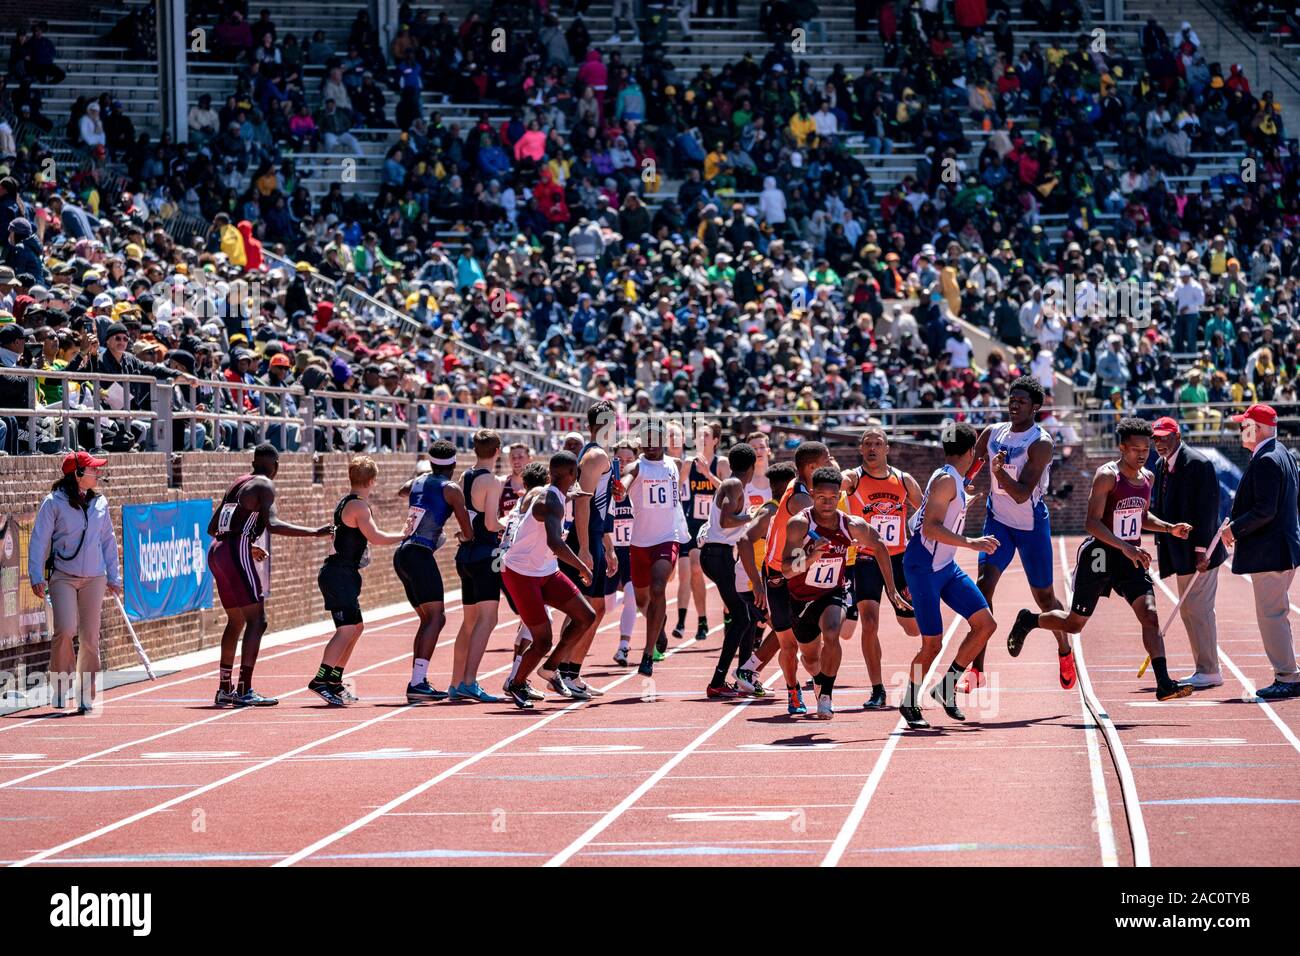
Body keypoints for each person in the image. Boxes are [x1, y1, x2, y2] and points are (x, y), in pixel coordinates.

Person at [1004, 418, 1195, 704]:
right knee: (1074, 624)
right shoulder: (1107, 476)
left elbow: (1141, 517)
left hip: (1130, 558)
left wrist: (1169, 528)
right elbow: (1091, 523)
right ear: (1121, 448)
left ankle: (1164, 683)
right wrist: (1124, 548)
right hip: (1099, 555)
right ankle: (1029, 620)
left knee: (1150, 615)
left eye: (1146, 449)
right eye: (1135, 449)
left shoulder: (1148, 478)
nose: (1142, 454)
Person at [964, 377, 1075, 692]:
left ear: (1035, 407)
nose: (1014, 405)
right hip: (998, 522)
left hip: (1030, 526)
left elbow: (1023, 494)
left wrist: (999, 473)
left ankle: (1064, 651)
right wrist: (965, 484)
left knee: (1045, 598)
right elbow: (971, 468)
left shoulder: (1040, 443)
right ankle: (977, 669)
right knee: (983, 588)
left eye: (1021, 401)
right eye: (1011, 399)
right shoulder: (992, 434)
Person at [208, 443, 331, 707]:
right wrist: (314, 532)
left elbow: (213, 526)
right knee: (258, 620)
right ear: (275, 464)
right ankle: (244, 689)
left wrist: (245, 543)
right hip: (234, 550)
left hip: (217, 550)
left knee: (236, 620)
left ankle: (224, 688)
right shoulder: (265, 485)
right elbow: (272, 525)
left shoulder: (237, 483)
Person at [781, 466, 909, 719]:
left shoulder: (852, 525)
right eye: (821, 498)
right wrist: (809, 557)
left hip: (833, 591)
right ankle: (819, 679)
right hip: (800, 598)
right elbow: (786, 569)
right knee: (809, 658)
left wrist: (892, 590)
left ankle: (826, 696)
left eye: (833, 498)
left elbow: (881, 547)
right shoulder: (799, 525)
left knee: (832, 632)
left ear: (839, 496)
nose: (827, 504)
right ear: (812, 494)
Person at [898, 424, 1001, 730]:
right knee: (932, 645)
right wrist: (972, 542)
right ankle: (909, 701)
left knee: (985, 624)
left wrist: (962, 502)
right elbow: (929, 528)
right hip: (924, 567)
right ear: (971, 452)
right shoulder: (946, 481)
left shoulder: (953, 479)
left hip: (946, 566)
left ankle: (946, 687)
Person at [501, 452, 596, 709]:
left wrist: (570, 494)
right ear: (572, 475)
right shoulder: (550, 501)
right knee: (542, 639)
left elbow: (544, 494)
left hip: (544, 570)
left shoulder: (551, 492)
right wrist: (582, 567)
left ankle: (550, 669)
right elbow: (555, 542)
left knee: (586, 616)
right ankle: (516, 682)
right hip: (520, 573)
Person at [28, 451, 121, 713]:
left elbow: (108, 542)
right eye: (92, 469)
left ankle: (86, 694)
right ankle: (60, 685)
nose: (98, 473)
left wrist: (114, 576)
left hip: (95, 577)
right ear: (78, 474)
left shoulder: (100, 502)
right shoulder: (53, 503)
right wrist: (36, 575)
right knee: (65, 629)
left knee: (90, 636)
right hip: (63, 576)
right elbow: (39, 540)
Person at [308, 456, 404, 705]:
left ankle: (334, 680)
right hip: (338, 574)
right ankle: (320, 679)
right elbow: (377, 537)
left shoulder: (346, 502)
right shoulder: (359, 507)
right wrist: (405, 534)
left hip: (343, 574)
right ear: (372, 480)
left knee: (356, 628)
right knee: (346, 629)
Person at [538, 400, 619, 699]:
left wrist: (607, 545)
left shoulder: (597, 455)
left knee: (593, 609)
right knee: (585, 609)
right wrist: (586, 548)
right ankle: (560, 670)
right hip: (586, 539)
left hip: (595, 537)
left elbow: (601, 503)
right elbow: (583, 501)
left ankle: (569, 671)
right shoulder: (596, 455)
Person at [1221, 404, 1300, 699]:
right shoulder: (1284, 454)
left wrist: (1233, 529)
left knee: (1272, 615)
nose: (1242, 429)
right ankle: (1288, 672)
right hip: (1282, 549)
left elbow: (1265, 510)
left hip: (1272, 552)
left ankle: (1287, 676)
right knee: (1276, 613)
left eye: (1246, 424)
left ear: (1260, 428)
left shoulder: (1267, 459)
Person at [840, 426, 922, 709]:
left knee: (912, 629)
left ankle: (921, 677)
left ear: (887, 449)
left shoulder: (904, 480)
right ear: (861, 450)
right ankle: (877, 689)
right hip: (866, 559)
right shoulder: (854, 479)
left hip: (899, 560)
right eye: (867, 444)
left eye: (878, 443)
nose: (872, 448)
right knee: (869, 623)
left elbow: (926, 512)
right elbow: (841, 480)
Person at [1149, 416, 1228, 689]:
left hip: (1201, 553)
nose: (1158, 442)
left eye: (1164, 437)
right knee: (1189, 611)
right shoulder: (1160, 465)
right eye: (1155, 438)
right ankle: (1203, 667)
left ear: (1177, 437)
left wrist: (1201, 550)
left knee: (1200, 609)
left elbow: (1207, 510)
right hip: (1179, 552)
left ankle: (1209, 669)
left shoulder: (1198, 464)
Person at [394, 440, 473, 702]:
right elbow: (468, 530)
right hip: (419, 553)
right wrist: (464, 536)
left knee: (429, 619)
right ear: (453, 464)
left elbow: (402, 491)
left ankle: (418, 680)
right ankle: (417, 682)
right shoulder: (451, 489)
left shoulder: (418, 481)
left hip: (403, 554)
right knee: (436, 618)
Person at [764, 440, 832, 715]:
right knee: (789, 643)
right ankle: (793, 691)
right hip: (779, 574)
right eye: (827, 460)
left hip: (802, 571)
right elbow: (820, 530)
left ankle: (817, 679)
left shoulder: (813, 490)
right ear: (812, 467)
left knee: (814, 637)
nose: (832, 464)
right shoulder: (801, 497)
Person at [623, 420, 689, 676]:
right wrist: (621, 490)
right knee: (643, 600)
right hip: (640, 542)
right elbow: (628, 478)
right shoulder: (637, 466)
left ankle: (647, 654)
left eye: (655, 438)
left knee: (659, 586)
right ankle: (658, 625)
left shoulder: (675, 464)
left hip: (667, 538)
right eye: (646, 439)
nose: (650, 444)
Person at [698, 441, 760, 698]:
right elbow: (725, 520)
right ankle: (719, 680)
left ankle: (744, 675)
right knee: (743, 618)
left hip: (720, 554)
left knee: (749, 616)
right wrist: (753, 518)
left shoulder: (734, 484)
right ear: (752, 466)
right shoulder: (734, 484)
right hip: (717, 554)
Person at [450, 429, 506, 703]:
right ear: (498, 451)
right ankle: (470, 681)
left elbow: (464, 516)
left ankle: (455, 681)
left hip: (466, 554)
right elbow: (491, 524)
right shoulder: (492, 481)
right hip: (486, 555)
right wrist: (512, 524)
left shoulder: (464, 476)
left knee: (469, 621)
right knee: (489, 618)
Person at [733, 462, 798, 692]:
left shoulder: (781, 510)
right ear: (788, 485)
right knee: (789, 629)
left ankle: (749, 670)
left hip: (760, 580)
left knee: (789, 629)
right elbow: (743, 541)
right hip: (753, 582)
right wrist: (758, 586)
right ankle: (748, 670)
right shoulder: (770, 511)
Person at [676, 421, 728, 643]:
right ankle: (703, 619)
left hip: (717, 524)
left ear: (715, 440)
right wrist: (684, 473)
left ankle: (729, 615)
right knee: (695, 569)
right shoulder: (689, 462)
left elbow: (731, 491)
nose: (700, 439)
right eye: (697, 435)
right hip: (694, 524)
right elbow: (675, 490)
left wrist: (708, 474)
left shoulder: (721, 463)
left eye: (705, 435)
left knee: (724, 576)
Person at [611, 439, 640, 666]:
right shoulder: (605, 486)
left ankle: (623, 647)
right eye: (620, 459)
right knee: (604, 604)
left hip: (632, 551)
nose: (624, 463)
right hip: (610, 550)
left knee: (632, 596)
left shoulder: (639, 487)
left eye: (629, 459)